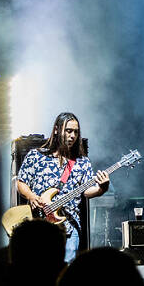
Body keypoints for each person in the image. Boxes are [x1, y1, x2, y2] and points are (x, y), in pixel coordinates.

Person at [17, 112, 110, 262]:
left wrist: (102, 188)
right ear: (56, 130)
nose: (73, 135)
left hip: (68, 228)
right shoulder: (36, 156)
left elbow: (86, 191)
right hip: (38, 227)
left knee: (64, 270)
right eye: (69, 131)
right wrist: (31, 196)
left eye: (76, 132)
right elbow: (21, 182)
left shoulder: (82, 162)